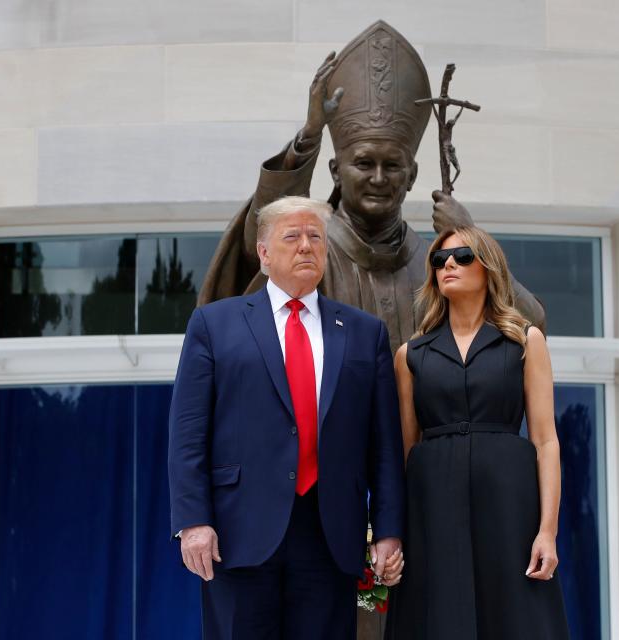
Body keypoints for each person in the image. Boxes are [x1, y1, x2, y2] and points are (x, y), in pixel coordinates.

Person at [199, 20, 545, 352]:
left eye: (392, 165)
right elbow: (260, 236)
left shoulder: (437, 266)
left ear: (411, 176)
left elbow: (532, 329)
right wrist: (310, 135)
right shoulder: (310, 254)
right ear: (336, 171)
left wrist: (470, 243)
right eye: (364, 163)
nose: (379, 179)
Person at [168, 196, 406, 639]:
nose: (306, 247)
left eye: (315, 237)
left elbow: (385, 446)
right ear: (263, 252)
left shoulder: (363, 332)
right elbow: (187, 434)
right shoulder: (214, 324)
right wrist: (193, 521)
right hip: (237, 532)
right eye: (292, 236)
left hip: (330, 532)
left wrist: (389, 530)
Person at [385, 226, 570, 639]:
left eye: (463, 256)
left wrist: (547, 531)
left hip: (509, 502)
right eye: (439, 259)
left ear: (488, 267)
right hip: (431, 505)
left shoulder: (524, 341)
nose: (448, 264)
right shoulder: (411, 355)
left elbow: (545, 440)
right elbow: (405, 450)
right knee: (436, 617)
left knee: (514, 617)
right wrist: (391, 530)